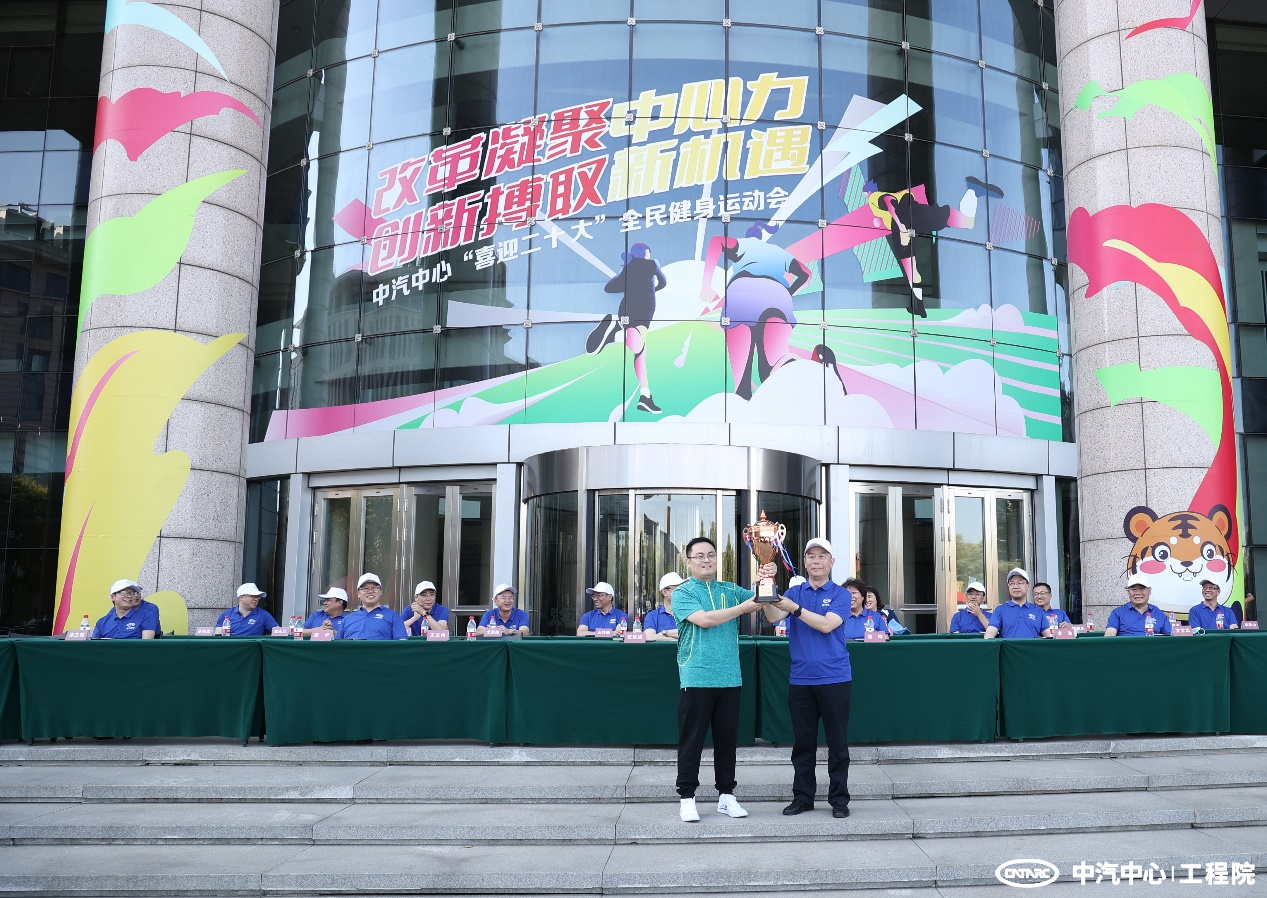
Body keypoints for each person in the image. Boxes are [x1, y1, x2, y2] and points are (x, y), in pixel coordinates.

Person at [672, 535, 774, 823]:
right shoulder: (683, 593)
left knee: (727, 740)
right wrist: (744, 608)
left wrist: (766, 580)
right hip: (697, 675)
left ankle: (726, 795)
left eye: (711, 555)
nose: (706, 560)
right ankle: (687, 797)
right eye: (700, 556)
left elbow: (767, 607)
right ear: (688, 561)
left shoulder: (730, 589)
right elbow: (705, 620)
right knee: (692, 740)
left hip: (729, 676)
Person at [761, 539, 854, 818]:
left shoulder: (841, 594)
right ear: (804, 562)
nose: (816, 561)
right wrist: (765, 588)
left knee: (837, 744)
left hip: (835, 677)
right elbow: (773, 616)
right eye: (811, 556)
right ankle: (803, 797)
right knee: (803, 744)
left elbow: (826, 625)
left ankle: (839, 799)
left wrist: (796, 609)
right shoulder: (794, 592)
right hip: (801, 679)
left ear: (831, 562)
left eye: (822, 556)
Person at [700, 222, 812, 400]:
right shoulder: (777, 251)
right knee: (772, 366)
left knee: (742, 380)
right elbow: (806, 274)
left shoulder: (744, 244)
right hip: (778, 297)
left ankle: (743, 394)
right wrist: (788, 292)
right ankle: (785, 366)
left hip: (743, 293)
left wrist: (706, 285)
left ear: (749, 236)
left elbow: (716, 241)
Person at [587, 242, 667, 414]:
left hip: (626, 309)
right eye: (649, 252)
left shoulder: (629, 268)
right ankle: (615, 334)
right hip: (644, 308)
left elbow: (609, 288)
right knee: (639, 347)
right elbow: (663, 282)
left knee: (640, 352)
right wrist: (652, 289)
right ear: (646, 253)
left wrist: (628, 280)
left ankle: (645, 396)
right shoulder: (652, 264)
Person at [984, 568, 1051, 639]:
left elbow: (1049, 636)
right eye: (1012, 583)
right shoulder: (1000, 610)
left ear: (1028, 586)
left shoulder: (1038, 611)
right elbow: (990, 633)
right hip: (1009, 646)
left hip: (1032, 646)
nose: (1015, 587)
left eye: (1020, 583)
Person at [342, 573, 408, 640]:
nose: (370, 591)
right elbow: (337, 644)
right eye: (365, 588)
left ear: (381, 591)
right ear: (358, 593)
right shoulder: (347, 619)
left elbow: (401, 642)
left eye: (374, 588)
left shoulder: (393, 616)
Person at [1105, 573, 1173, 637]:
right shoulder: (1118, 613)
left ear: (1149, 591)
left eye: (1142, 588)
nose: (1138, 593)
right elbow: (1110, 634)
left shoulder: (1159, 613)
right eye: (1133, 589)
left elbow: (1170, 637)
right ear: (1128, 592)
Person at [90, 579, 157, 639]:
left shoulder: (146, 616)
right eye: (124, 593)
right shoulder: (102, 622)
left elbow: (146, 645)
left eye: (133, 593)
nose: (129, 596)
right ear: (113, 597)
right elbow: (94, 645)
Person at [215, 583, 279, 636]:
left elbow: (278, 632)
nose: (256, 599)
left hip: (252, 647)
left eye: (257, 597)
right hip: (231, 646)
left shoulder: (263, 614)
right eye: (252, 596)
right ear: (241, 597)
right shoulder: (226, 614)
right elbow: (218, 636)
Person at [645, 572, 682, 640]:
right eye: (678, 589)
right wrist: (675, 640)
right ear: (664, 592)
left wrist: (665, 633)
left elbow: (693, 634)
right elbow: (648, 636)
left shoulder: (690, 613)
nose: (682, 592)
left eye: (683, 588)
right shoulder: (653, 616)